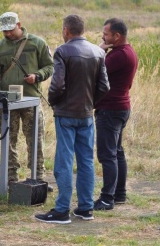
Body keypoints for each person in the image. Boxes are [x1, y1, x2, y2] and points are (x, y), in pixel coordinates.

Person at [35, 14, 109, 224]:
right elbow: (104, 86)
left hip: (66, 114)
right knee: (86, 161)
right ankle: (85, 208)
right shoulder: (97, 51)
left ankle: (61, 211)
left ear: (66, 30)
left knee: (64, 162)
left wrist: (54, 101)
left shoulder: (63, 51)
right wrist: (90, 103)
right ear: (82, 30)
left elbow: (57, 85)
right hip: (86, 114)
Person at [0, 12, 54, 191]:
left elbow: (50, 66)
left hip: (31, 101)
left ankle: (37, 178)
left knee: (35, 140)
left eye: (10, 30)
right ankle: (11, 179)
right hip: (8, 102)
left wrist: (37, 76)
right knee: (8, 140)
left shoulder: (37, 43)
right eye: (4, 31)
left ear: (19, 25)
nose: (7, 34)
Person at [93, 18, 138, 210]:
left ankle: (107, 198)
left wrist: (100, 49)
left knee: (107, 155)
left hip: (110, 110)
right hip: (120, 107)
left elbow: (93, 67)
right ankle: (119, 194)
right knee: (117, 152)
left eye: (106, 34)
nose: (103, 36)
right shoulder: (126, 52)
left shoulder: (119, 55)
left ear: (117, 36)